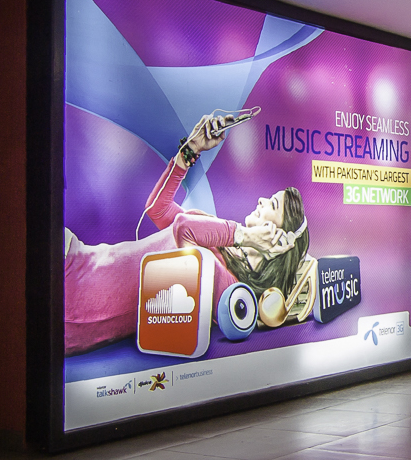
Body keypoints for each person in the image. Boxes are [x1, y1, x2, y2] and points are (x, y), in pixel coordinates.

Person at [62, 112, 307, 355]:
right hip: (78, 257)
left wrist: (244, 236)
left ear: (282, 241)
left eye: (273, 204)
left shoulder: (228, 284)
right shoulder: (221, 235)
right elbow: (158, 209)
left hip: (77, 297)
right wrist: (191, 150)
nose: (262, 200)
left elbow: (183, 229)